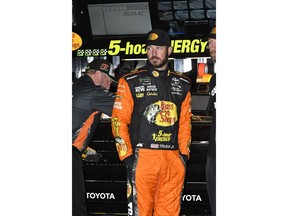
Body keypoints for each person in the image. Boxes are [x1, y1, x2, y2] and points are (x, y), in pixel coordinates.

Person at [111, 29, 192, 216]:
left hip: (173, 158)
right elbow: (118, 121)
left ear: (169, 51)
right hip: (143, 157)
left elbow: (185, 123)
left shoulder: (183, 83)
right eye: (149, 48)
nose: (153, 53)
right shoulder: (130, 81)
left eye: (158, 48)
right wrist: (127, 156)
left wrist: (184, 155)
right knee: (141, 212)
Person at [72, 59, 117, 216]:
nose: (108, 86)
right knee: (75, 206)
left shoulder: (75, 85)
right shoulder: (93, 92)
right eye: (108, 80)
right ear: (98, 74)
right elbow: (126, 108)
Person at [205, 26, 216, 216]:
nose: (211, 46)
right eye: (210, 43)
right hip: (214, 152)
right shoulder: (215, 79)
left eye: (215, 42)